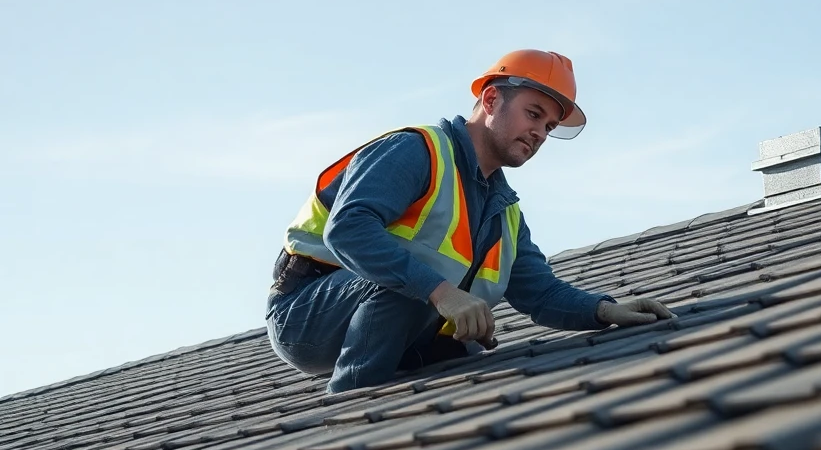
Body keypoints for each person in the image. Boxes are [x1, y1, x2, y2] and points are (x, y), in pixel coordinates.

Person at [265, 49, 674, 393]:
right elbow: (347, 228)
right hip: (306, 311)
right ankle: (350, 408)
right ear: (492, 100)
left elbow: (540, 293)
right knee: (409, 289)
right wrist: (443, 293)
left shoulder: (504, 210)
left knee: (467, 355)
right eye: (533, 115)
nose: (540, 134)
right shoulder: (417, 151)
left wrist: (603, 310)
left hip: (395, 322)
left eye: (548, 127)